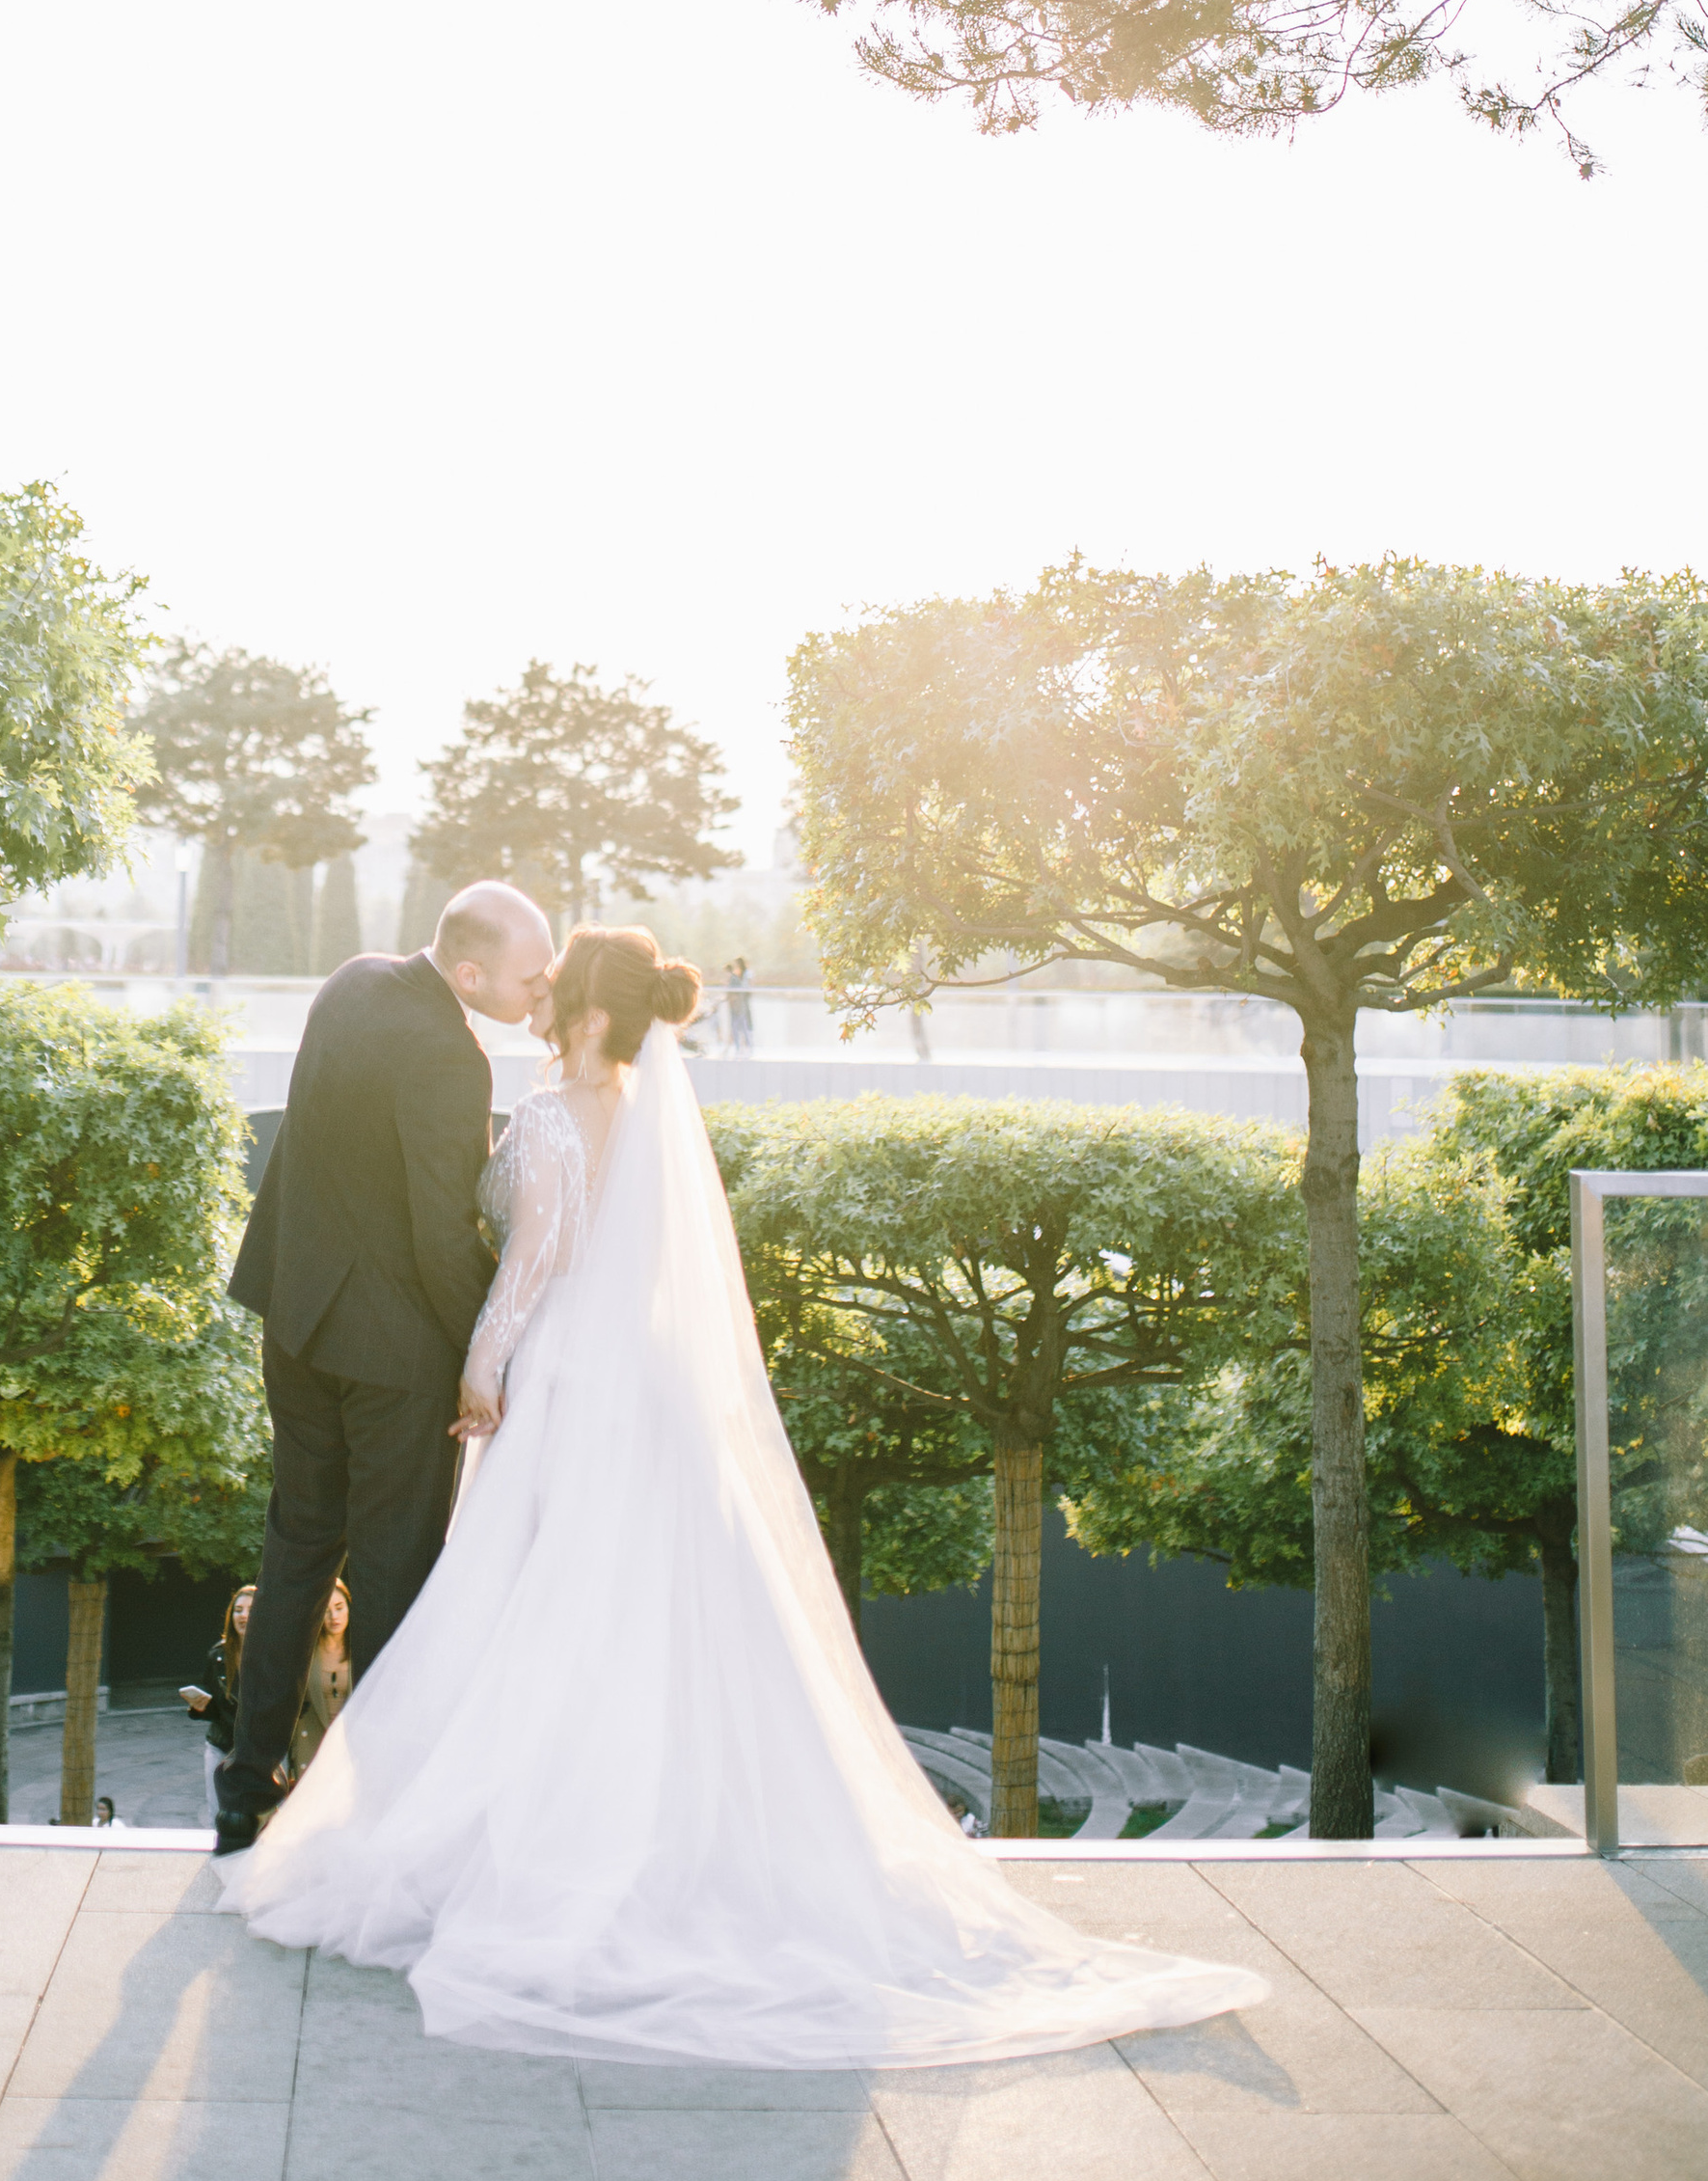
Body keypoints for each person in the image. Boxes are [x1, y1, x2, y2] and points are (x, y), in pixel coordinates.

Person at [217, 924, 1270, 2071]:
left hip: (565, 1376)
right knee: (647, 1609)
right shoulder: (649, 1121)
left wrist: (481, 1362)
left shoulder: (545, 1117)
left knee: (537, 1602)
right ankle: (657, 1827)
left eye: (550, 982)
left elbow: (529, 1264)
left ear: (579, 1010)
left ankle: (455, 1817)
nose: (537, 994)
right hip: (647, 1387)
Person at [213, 877, 556, 1855]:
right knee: (396, 1572)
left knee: (295, 1549)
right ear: (470, 970)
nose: (537, 994)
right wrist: (480, 1353)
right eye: (527, 978)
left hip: (296, 1318)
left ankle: (245, 1783)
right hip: (395, 1353)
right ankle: (375, 1804)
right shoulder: (451, 1057)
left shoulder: (349, 982)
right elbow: (443, 1235)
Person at [287, 1580, 351, 1781]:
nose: (334, 1617)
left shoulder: (362, 1648)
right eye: (326, 1610)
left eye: (339, 1608)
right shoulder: (305, 1653)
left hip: (350, 1746)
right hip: (313, 1744)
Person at [179, 1584, 254, 1755]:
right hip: (221, 1747)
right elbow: (217, 1711)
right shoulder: (218, 1655)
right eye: (238, 1610)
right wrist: (200, 1706)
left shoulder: (273, 1656)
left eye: (251, 1609)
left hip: (260, 1752)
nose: (243, 1615)